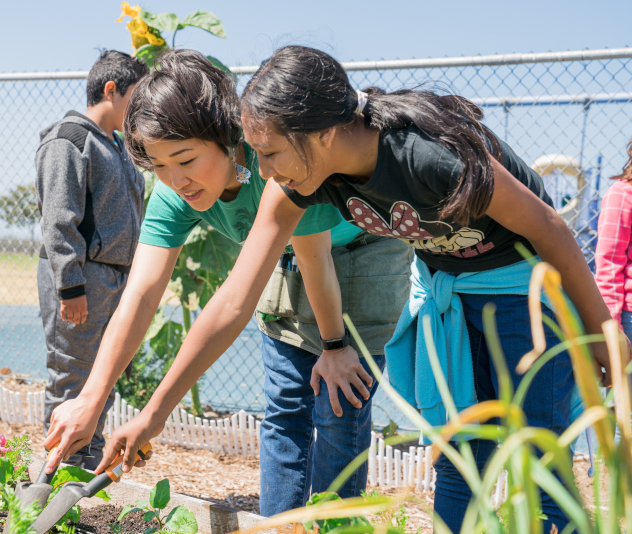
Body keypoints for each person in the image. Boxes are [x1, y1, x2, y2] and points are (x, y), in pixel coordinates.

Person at [100, 46, 625, 533]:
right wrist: (152, 415)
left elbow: (549, 228)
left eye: (271, 153)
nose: (262, 171)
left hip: (523, 290)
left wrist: (602, 330)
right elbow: (235, 300)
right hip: (449, 291)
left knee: (541, 467)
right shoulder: (300, 179)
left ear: (323, 134)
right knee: (460, 455)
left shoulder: (426, 157)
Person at [41, 50, 412, 513]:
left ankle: (334, 523)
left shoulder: (276, 164)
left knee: (337, 403)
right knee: (284, 405)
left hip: (356, 248)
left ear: (225, 135)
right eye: (158, 166)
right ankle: (278, 524)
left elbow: (241, 299)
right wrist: (90, 400)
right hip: (286, 248)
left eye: (185, 159)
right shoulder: (175, 191)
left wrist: (335, 347)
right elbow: (140, 294)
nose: (176, 180)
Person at [36, 49, 148, 471]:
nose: (141, 108)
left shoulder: (118, 146)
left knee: (103, 378)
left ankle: (85, 463)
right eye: (136, 97)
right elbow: (59, 219)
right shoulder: (70, 139)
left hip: (116, 279)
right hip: (83, 279)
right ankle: (57, 471)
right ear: (110, 90)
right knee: (71, 376)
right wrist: (71, 285)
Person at [595, 139, 632, 441]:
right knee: (626, 408)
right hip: (629, 317)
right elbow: (608, 263)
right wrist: (612, 328)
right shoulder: (622, 194)